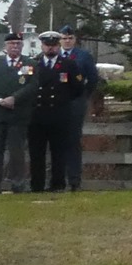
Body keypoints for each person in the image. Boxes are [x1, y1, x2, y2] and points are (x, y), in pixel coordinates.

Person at [26, 29, 89, 192]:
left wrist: (63, 99)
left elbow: (78, 88)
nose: (50, 48)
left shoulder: (69, 65)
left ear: (58, 46)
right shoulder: (33, 64)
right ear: (42, 46)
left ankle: (58, 184)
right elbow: (24, 85)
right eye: (47, 45)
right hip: (37, 116)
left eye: (53, 45)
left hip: (59, 115)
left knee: (59, 153)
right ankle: (37, 185)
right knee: (36, 153)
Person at [0, 31, 33, 193]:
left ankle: (18, 184)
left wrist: (14, 98)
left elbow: (32, 85)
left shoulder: (29, 63)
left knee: (17, 152)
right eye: (12, 43)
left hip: (18, 115)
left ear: (22, 45)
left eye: (18, 44)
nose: (15, 46)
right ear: (6, 46)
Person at [57, 26, 101, 189]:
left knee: (73, 141)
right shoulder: (54, 55)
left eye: (70, 38)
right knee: (56, 141)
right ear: (60, 40)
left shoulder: (83, 56)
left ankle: (74, 180)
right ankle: (57, 179)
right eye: (64, 38)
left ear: (75, 40)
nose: (67, 41)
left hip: (75, 103)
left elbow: (93, 79)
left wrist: (82, 96)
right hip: (56, 104)